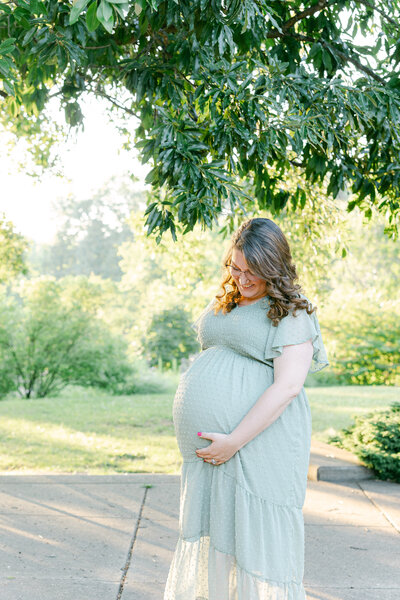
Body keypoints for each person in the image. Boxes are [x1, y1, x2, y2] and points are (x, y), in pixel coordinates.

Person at [164, 217, 329, 600]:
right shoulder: (230, 298)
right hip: (217, 451)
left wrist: (233, 441)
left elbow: (288, 386)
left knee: (253, 539)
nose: (242, 278)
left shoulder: (293, 313)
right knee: (219, 532)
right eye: (235, 268)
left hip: (256, 443)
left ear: (273, 267)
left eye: (252, 271)